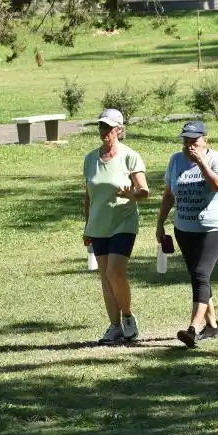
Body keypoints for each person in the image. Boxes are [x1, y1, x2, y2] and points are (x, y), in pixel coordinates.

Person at [156, 120, 218, 347]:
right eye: (185, 142)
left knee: (200, 274)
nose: (189, 146)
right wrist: (160, 223)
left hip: (212, 228)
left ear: (205, 140)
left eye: (194, 142)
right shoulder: (176, 160)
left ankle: (193, 329)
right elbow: (169, 194)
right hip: (184, 228)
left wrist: (202, 163)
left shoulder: (216, 158)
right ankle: (213, 326)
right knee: (200, 278)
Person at [83, 108, 149, 344]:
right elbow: (89, 194)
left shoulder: (130, 156)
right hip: (98, 224)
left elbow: (144, 191)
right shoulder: (90, 158)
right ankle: (114, 326)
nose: (104, 131)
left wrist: (132, 193)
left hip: (123, 221)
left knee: (114, 272)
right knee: (105, 277)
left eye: (108, 127)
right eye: (101, 126)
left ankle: (128, 317)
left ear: (119, 130)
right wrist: (87, 225)